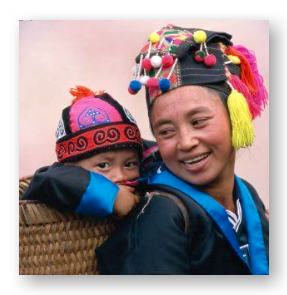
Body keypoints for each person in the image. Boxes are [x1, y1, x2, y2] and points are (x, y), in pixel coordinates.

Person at [96, 25, 269, 275]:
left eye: (198, 121)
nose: (186, 142)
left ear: (235, 115)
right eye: (166, 131)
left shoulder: (246, 194)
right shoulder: (162, 216)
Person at [23, 85, 157, 218]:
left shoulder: (151, 162)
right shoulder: (56, 182)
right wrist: (111, 195)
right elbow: (46, 180)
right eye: (103, 165)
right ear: (70, 167)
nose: (120, 176)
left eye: (129, 164)